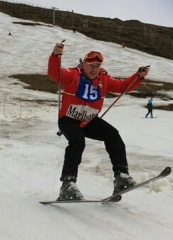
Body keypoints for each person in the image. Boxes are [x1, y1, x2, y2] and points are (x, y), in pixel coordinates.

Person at [48, 42, 150, 200]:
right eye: (91, 65)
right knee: (78, 142)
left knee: (113, 135)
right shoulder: (73, 75)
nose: (94, 68)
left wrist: (138, 76)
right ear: (84, 65)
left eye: (97, 65)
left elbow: (123, 86)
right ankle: (68, 184)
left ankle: (121, 176)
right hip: (68, 120)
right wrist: (56, 56)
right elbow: (55, 74)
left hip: (88, 121)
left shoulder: (104, 79)